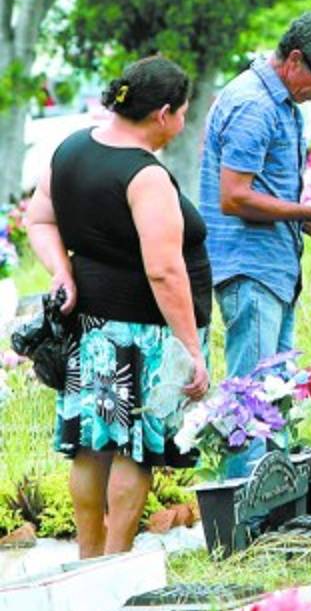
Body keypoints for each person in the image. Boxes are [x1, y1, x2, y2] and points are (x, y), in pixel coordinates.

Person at [25, 55, 211, 558]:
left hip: (90, 330)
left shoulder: (71, 149)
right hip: (142, 334)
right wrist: (190, 347)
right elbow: (163, 270)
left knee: (91, 446)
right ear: (164, 112)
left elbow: (38, 220)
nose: (180, 125)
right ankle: (116, 561)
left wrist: (63, 271)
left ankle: (87, 560)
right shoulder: (144, 175)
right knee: (135, 450)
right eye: (182, 115)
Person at [199, 11, 311, 382]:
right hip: (250, 269)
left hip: (273, 269)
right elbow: (235, 198)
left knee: (276, 396)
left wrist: (306, 223)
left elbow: (265, 193)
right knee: (251, 403)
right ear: (295, 59)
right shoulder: (254, 105)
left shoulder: (280, 102)